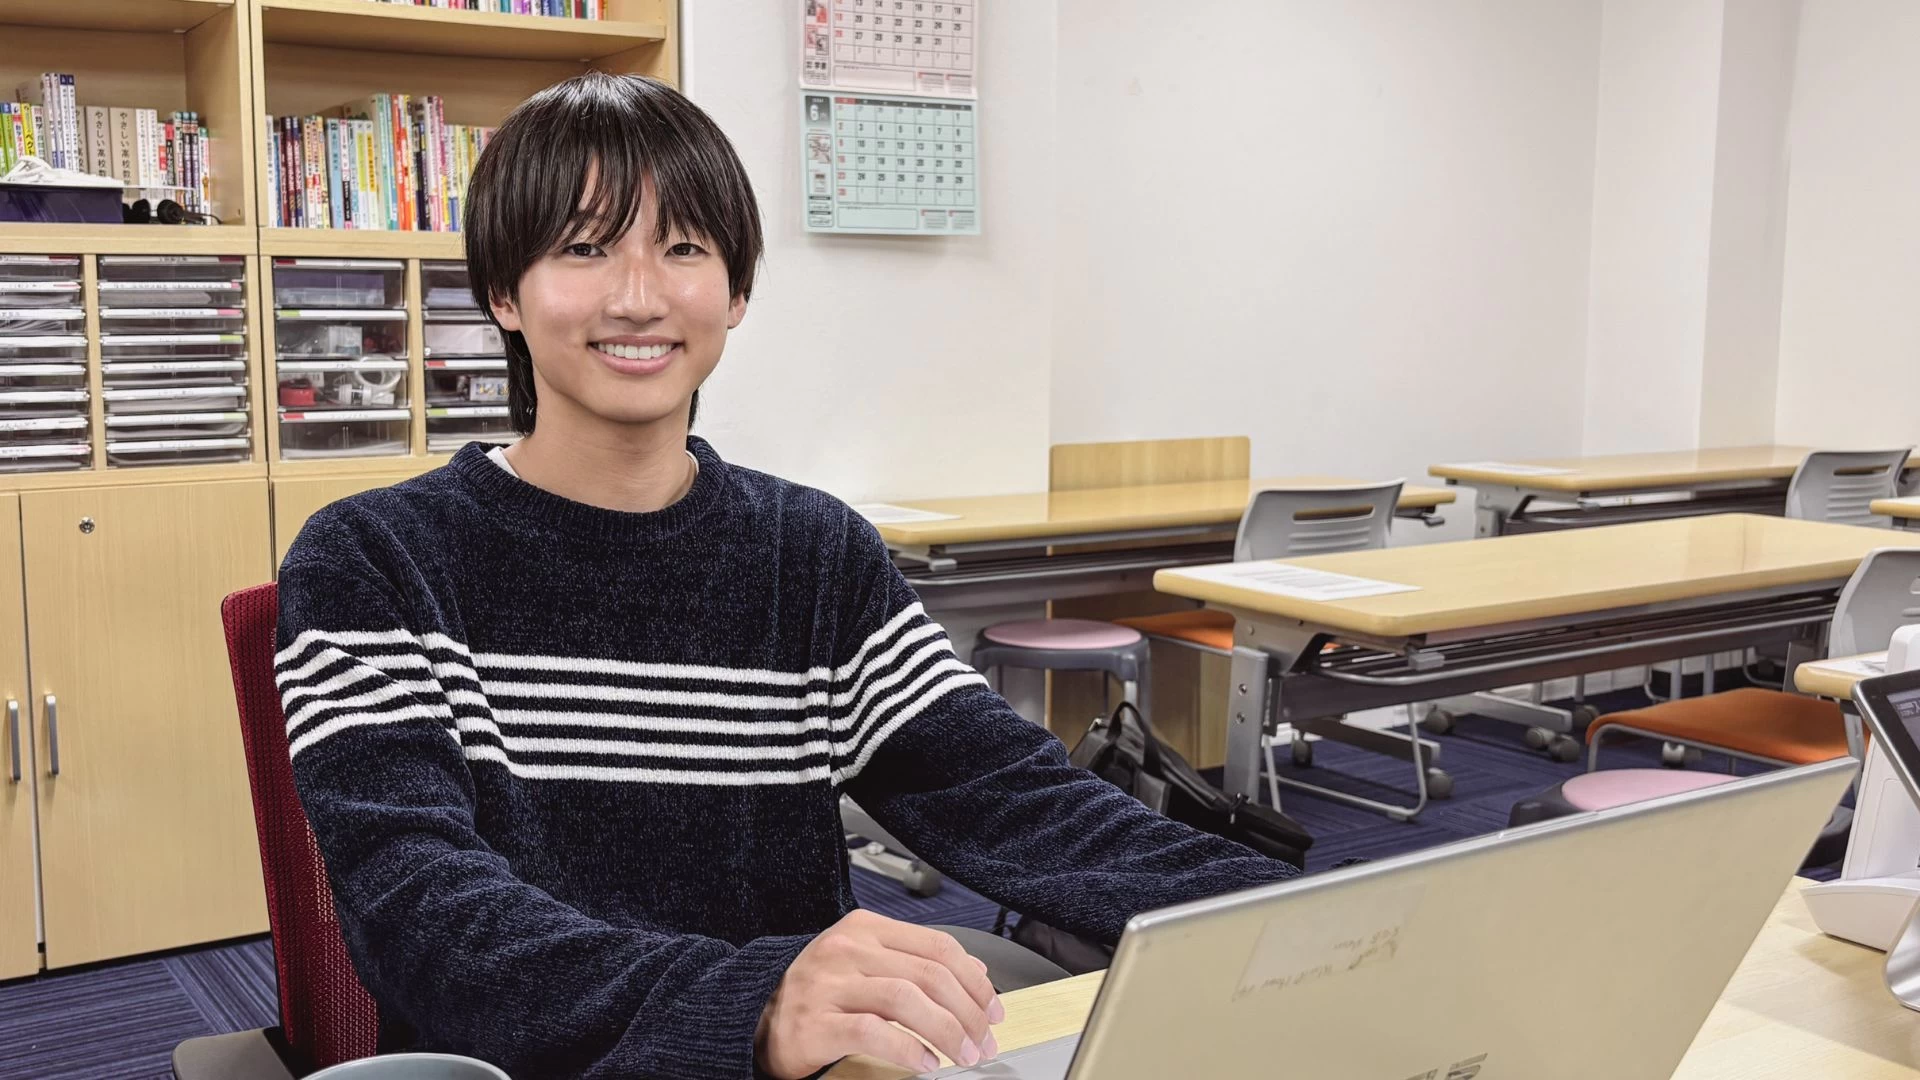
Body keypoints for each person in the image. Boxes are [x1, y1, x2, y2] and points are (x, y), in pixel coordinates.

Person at [275, 72, 1300, 1080]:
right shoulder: (372, 560)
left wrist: (1293, 920)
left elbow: (1011, 794)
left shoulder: (810, 553)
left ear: (736, 291)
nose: (638, 297)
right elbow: (425, 916)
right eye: (584, 249)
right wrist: (754, 1001)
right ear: (504, 291)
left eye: (682, 247)